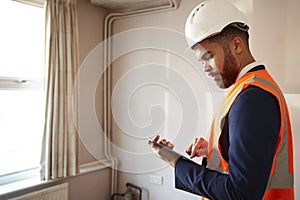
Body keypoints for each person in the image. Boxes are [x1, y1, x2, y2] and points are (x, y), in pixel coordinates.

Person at [148, 0, 294, 199]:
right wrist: (218, 148)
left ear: (236, 45)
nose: (205, 68)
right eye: (202, 61)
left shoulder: (252, 98)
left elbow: (240, 194)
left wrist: (177, 162)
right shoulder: (248, 88)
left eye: (209, 56)